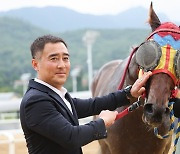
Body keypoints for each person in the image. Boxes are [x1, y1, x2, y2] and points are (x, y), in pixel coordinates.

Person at [20, 34, 152, 154]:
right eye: (54, 58)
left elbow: (92, 105)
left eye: (65, 58)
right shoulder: (36, 101)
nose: (61, 65)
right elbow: (72, 137)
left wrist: (128, 93)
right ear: (35, 64)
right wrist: (102, 122)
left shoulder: (55, 95)